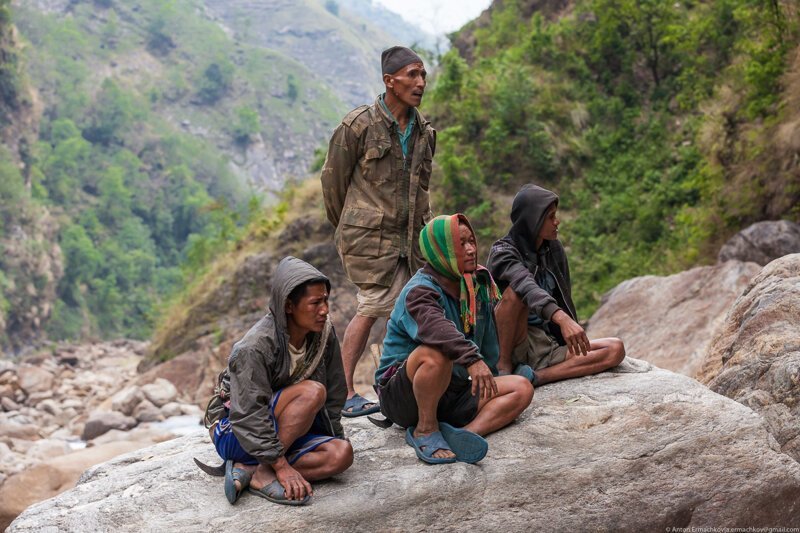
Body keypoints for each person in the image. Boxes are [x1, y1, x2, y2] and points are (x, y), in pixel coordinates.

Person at [321, 45, 436, 417]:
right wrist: (352, 225)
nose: (420, 83)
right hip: (368, 239)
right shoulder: (358, 126)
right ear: (390, 81)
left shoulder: (423, 132)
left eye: (423, 76)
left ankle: (395, 386)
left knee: (408, 307)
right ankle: (343, 391)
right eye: (412, 75)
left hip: (409, 237)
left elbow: (422, 189)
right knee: (373, 304)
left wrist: (426, 235)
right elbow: (332, 184)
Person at [374, 214, 534, 464]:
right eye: (461, 244)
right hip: (404, 397)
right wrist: (472, 360)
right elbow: (436, 329)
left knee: (521, 388)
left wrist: (489, 371)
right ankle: (425, 429)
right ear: (441, 251)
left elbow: (487, 338)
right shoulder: (419, 291)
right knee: (435, 352)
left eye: (472, 241)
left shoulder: (475, 284)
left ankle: (464, 435)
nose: (471, 250)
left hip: (452, 389)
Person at [198, 256, 353, 506]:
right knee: (312, 392)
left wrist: (333, 436)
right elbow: (247, 415)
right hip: (238, 432)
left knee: (341, 455)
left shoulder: (323, 334)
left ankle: (253, 470)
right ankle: (267, 468)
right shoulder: (255, 347)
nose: (324, 310)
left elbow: (335, 392)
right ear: (288, 306)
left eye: (326, 300)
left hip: (283, 431)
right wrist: (281, 466)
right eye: (315, 303)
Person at [488, 184, 625, 386]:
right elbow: (525, 286)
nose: (556, 222)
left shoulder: (553, 249)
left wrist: (570, 333)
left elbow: (564, 293)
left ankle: (536, 377)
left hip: (545, 343)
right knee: (516, 294)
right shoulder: (503, 252)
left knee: (615, 349)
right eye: (550, 217)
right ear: (532, 221)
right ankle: (503, 369)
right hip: (512, 340)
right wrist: (561, 318)